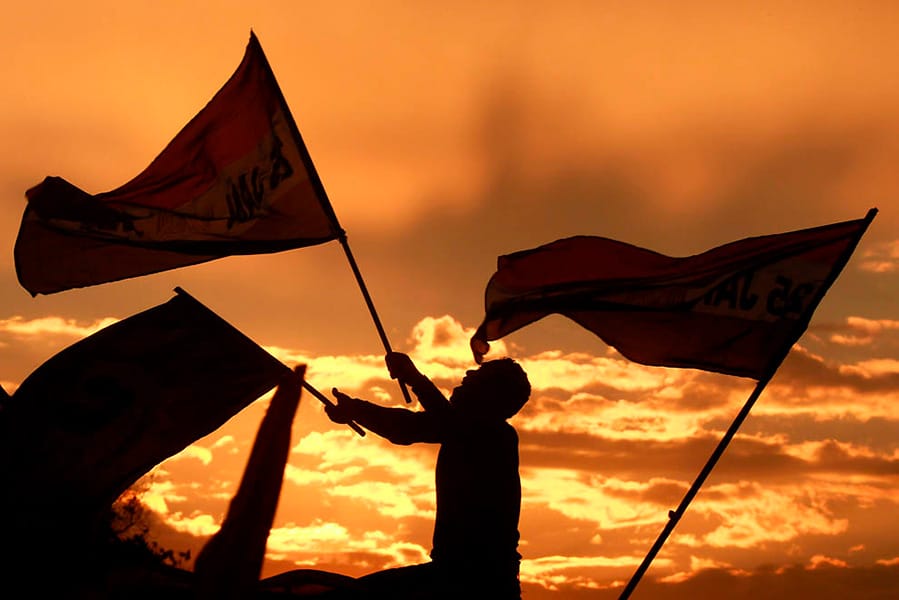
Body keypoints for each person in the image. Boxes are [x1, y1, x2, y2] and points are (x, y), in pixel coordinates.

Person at [325, 352, 531, 599]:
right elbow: (409, 427)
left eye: (480, 375)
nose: (469, 373)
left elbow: (442, 423)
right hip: (462, 574)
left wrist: (413, 378)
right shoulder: (471, 432)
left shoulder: (495, 436)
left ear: (490, 395)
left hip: (475, 580)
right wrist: (355, 409)